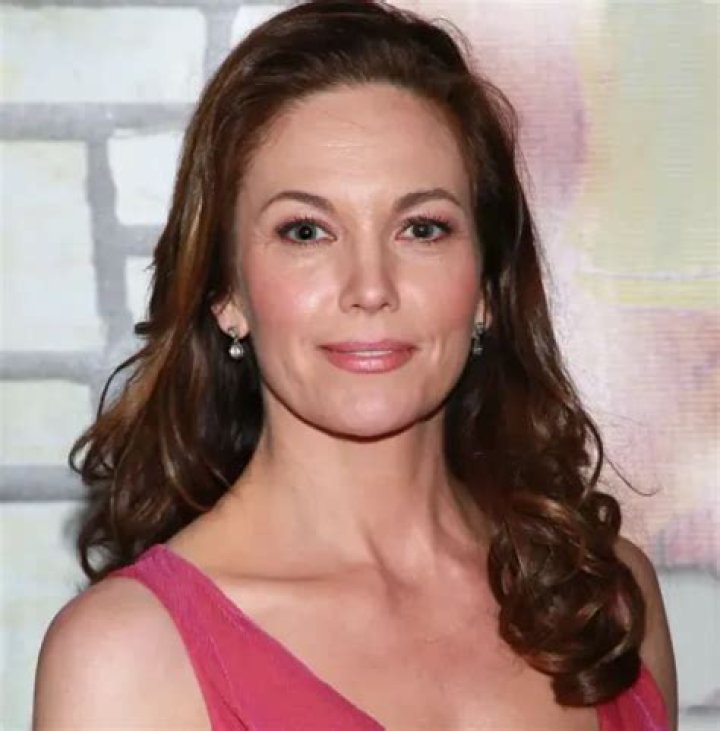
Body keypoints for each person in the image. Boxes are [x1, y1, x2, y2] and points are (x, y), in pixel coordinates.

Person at [32, 1, 677, 728]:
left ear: (487, 288)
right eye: (306, 231)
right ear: (226, 292)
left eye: (422, 228)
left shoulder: (605, 602)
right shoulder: (126, 658)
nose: (370, 287)